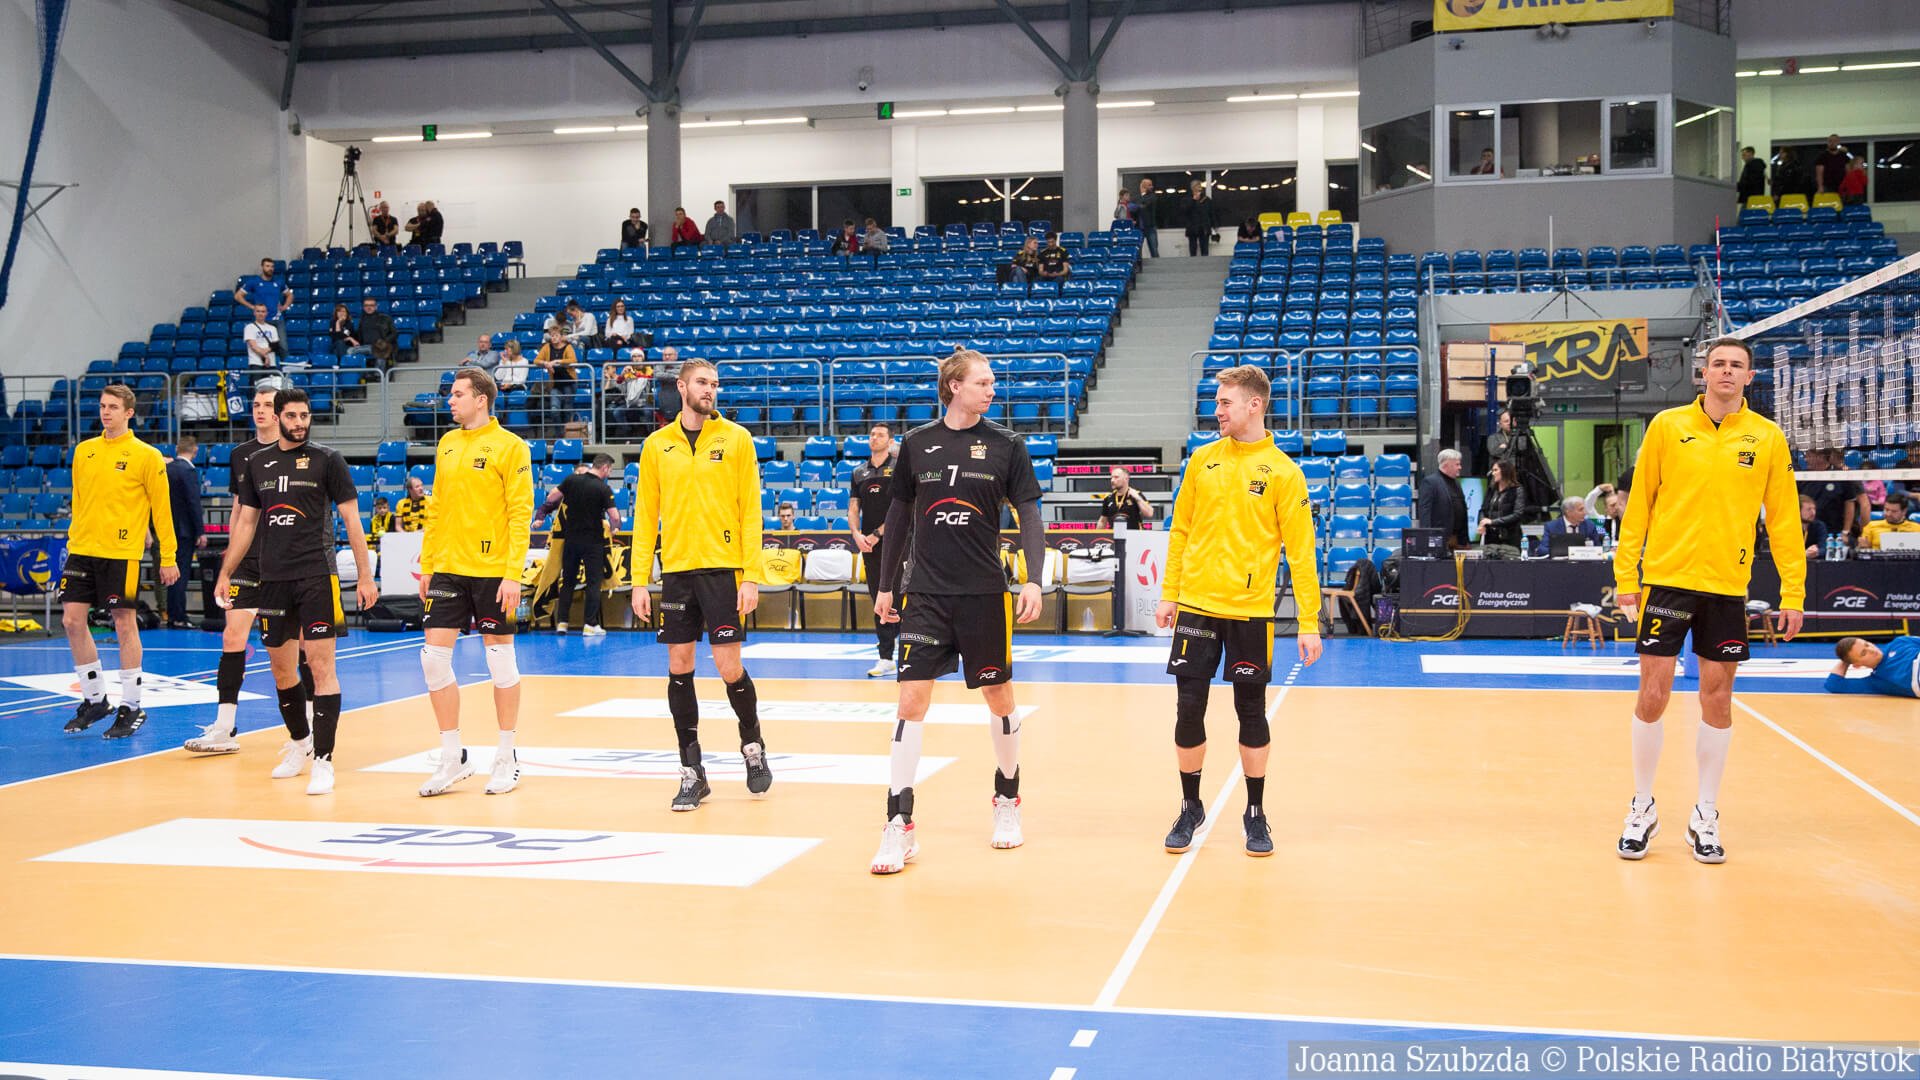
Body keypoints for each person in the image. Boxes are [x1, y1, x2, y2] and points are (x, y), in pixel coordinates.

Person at [1613, 337, 1804, 865]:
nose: (1726, 371)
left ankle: (1705, 813)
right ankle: (1642, 807)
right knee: (1653, 693)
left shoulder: (1766, 437)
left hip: (1726, 585)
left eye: (1736, 365)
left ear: (1749, 376)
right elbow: (1639, 505)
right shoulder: (1667, 426)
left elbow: (1784, 520)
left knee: (1717, 699)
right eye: (1718, 363)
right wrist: (1626, 574)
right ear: (1704, 372)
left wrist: (1793, 591)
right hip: (1668, 579)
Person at [868, 349, 1047, 874]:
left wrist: (1033, 578)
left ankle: (1007, 798)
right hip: (925, 594)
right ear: (954, 387)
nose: (992, 390)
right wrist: (885, 586)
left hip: (984, 594)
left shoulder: (1007, 445)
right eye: (983, 382)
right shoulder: (916, 443)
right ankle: (898, 824)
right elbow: (899, 517)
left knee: (999, 697)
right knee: (910, 703)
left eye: (992, 382)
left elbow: (1030, 516)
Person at [1155, 364, 1322, 857]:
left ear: (1254, 404)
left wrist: (1308, 621)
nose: (1217, 411)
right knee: (1189, 709)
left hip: (1250, 611)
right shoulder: (1202, 460)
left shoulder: (1284, 473)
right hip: (1196, 606)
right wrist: (1170, 593)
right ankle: (1190, 806)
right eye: (1216, 402)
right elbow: (1180, 530)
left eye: (1225, 402)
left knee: (1250, 711)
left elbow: (1302, 552)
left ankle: (1255, 812)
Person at [215, 387, 376, 794]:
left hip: (317, 576)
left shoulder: (328, 460)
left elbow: (352, 521)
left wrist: (365, 575)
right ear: (278, 417)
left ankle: (324, 759)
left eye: (305, 415)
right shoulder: (257, 463)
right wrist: (226, 572)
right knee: (282, 669)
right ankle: (300, 742)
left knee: (321, 667)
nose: (300, 422)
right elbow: (246, 523)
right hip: (272, 579)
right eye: (292, 416)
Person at [629, 358, 771, 810]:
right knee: (679, 667)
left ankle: (753, 746)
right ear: (682, 387)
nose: (710, 390)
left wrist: (751, 575)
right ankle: (692, 771)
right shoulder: (657, 445)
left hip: (723, 569)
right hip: (676, 572)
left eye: (715, 384)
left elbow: (751, 512)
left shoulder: (736, 439)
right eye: (702, 383)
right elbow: (644, 517)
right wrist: (638, 580)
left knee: (729, 667)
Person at [416, 368, 534, 797]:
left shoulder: (510, 446)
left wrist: (513, 573)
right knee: (433, 660)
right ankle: (454, 757)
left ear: (481, 399)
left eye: (457, 394)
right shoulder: (447, 443)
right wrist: (428, 562)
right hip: (448, 566)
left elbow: (521, 512)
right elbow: (437, 507)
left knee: (500, 661)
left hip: (493, 571)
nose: (450, 401)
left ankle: (506, 755)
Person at [185, 381, 320, 756]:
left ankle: (310, 724)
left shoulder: (304, 454)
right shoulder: (241, 454)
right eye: (256, 405)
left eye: (267, 405)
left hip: (289, 562)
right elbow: (239, 511)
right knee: (233, 638)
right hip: (249, 562)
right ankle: (224, 727)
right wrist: (230, 560)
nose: (261, 411)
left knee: (300, 645)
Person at [59, 386, 178, 740]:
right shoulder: (85, 450)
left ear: (129, 412)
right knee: (71, 621)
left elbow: (162, 510)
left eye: (113, 406)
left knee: (124, 623)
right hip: (82, 548)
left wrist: (168, 557)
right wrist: (74, 536)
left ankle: (132, 705)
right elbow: (79, 499)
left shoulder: (146, 455)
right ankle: (96, 700)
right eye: (102, 406)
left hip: (121, 553)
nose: (105, 412)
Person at [538, 453, 621, 636]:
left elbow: (552, 496)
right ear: (605, 467)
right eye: (610, 470)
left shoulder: (571, 480)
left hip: (571, 541)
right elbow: (614, 516)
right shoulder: (603, 488)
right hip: (593, 543)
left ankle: (562, 623)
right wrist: (615, 528)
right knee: (593, 583)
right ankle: (590, 625)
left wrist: (541, 514)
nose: (609, 473)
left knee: (568, 582)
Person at [850, 423, 900, 677]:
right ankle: (886, 657)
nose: (874, 437)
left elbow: (901, 508)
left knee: (901, 598)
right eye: (871, 434)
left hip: (898, 543)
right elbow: (853, 508)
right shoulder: (859, 472)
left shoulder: (899, 468)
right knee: (878, 600)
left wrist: (878, 534)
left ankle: (912, 655)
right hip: (869, 546)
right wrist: (856, 534)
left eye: (880, 435)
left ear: (891, 441)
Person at [164, 437, 204, 628]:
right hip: (184, 530)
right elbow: (193, 502)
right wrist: (200, 531)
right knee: (181, 573)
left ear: (177, 448)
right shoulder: (188, 471)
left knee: (171, 573)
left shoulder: (168, 469)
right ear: (195, 450)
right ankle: (179, 616)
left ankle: (173, 614)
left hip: (168, 528)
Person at [1801, 447, 1865, 545]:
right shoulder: (1802, 477)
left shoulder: (1841, 476)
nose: (1805, 459)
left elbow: (1849, 504)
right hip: (1808, 535)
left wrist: (1845, 532)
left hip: (1834, 535)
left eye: (1809, 456)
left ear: (1821, 457)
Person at [1826, 636, 1918, 699]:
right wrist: (1845, 661)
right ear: (1857, 665)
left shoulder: (1900, 642)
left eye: (1867, 644)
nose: (1871, 650)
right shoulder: (1875, 682)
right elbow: (1834, 684)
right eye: (1864, 653)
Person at [1417, 448, 1470, 550]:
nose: (1460, 467)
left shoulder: (1457, 483)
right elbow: (1425, 513)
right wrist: (1428, 539)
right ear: (1446, 465)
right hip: (1440, 538)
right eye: (1457, 464)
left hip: (1458, 539)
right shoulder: (1430, 482)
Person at [534, 324, 579, 433]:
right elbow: (536, 361)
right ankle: (559, 433)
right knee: (554, 410)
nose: (553, 338)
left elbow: (573, 360)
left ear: (561, 336)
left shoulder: (567, 347)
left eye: (556, 335)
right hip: (555, 384)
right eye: (552, 336)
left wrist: (557, 361)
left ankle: (567, 434)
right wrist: (545, 363)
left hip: (569, 382)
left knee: (567, 410)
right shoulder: (547, 347)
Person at [1478, 460, 1526, 559]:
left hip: (1510, 538)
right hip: (1491, 538)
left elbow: (1517, 514)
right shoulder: (1491, 489)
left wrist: (1492, 522)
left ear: (1505, 471)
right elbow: (1483, 510)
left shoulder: (1517, 490)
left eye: (1496, 470)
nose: (1493, 473)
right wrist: (1482, 523)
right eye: (1492, 470)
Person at [233, 257, 292, 337]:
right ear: (262, 267)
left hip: (277, 319)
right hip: (261, 319)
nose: (270, 268)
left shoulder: (279, 282)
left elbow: (290, 295)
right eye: (267, 266)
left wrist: (285, 306)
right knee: (261, 343)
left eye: (272, 266)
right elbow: (238, 296)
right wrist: (251, 306)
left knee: (282, 344)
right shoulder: (254, 282)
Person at [1535, 495, 1604, 556]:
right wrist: (1566, 552)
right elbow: (1542, 549)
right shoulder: (1552, 526)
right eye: (1581, 510)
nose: (1585, 513)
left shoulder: (1590, 526)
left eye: (1584, 509)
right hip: (1560, 564)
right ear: (1568, 512)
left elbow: (1598, 549)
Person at [346, 295, 397, 368]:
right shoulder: (362, 320)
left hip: (381, 346)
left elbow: (394, 333)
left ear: (376, 307)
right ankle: (357, 373)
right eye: (366, 305)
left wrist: (384, 342)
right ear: (363, 307)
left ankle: (378, 374)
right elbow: (357, 335)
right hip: (366, 347)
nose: (369, 307)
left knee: (381, 351)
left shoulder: (385, 318)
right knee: (350, 350)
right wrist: (349, 335)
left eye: (371, 305)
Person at [1181, 180, 1218, 257]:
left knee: (1205, 249)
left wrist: (1214, 225)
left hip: (1204, 227)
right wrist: (1193, 200)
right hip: (1192, 227)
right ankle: (1193, 263)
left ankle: (1205, 263)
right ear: (1192, 188)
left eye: (1200, 187)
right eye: (1197, 187)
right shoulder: (1187, 199)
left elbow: (1211, 213)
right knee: (1192, 248)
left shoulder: (1206, 199)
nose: (1199, 189)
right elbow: (1184, 211)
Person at [652, 345, 683, 422]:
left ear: (676, 356)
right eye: (665, 355)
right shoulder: (659, 365)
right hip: (664, 393)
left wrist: (666, 373)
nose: (667, 357)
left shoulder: (682, 365)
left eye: (669, 355)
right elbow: (658, 375)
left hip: (679, 393)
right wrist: (674, 376)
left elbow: (683, 374)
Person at [1135, 177, 1161, 258]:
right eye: (1149, 185)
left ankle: (1157, 265)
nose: (1152, 187)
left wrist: (1139, 205)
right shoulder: (1136, 197)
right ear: (1143, 186)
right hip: (1139, 227)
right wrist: (1139, 205)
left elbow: (1145, 204)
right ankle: (1139, 264)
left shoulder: (1153, 196)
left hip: (1150, 226)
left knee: (1154, 249)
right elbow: (1135, 206)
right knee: (1137, 250)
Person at [1797, 493, 1827, 560]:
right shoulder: (1789, 527)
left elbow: (1824, 549)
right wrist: (1804, 554)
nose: (1813, 513)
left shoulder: (1819, 526)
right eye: (1809, 509)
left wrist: (1815, 552)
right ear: (1798, 511)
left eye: (1814, 509)